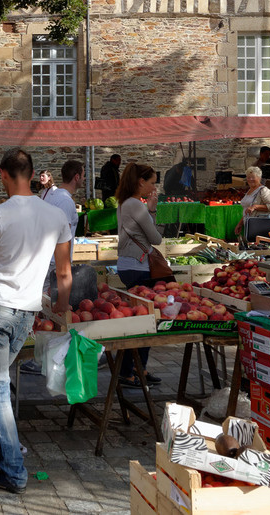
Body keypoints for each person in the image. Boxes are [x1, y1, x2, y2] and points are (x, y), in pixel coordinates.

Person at [0, 149, 71, 497]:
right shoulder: (56, 216)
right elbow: (64, 274)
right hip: (26, 313)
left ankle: (14, 470)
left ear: (5, 174)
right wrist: (61, 314)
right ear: (33, 174)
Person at [112, 163, 166, 389]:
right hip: (138, 266)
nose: (154, 186)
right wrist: (153, 210)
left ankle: (137, 368)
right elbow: (156, 238)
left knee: (140, 317)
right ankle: (128, 370)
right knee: (145, 320)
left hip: (127, 264)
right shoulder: (136, 205)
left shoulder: (125, 202)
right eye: (152, 182)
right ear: (140, 182)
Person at [234, 167, 270, 243]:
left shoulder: (263, 190)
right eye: (248, 177)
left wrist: (255, 207)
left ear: (259, 178)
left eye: (253, 177)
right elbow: (247, 209)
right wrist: (240, 224)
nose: (250, 179)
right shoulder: (249, 191)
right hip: (249, 226)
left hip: (259, 227)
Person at [42, 160, 81, 237]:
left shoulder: (55, 194)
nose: (84, 179)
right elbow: (63, 237)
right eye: (83, 176)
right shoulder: (65, 200)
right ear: (77, 177)